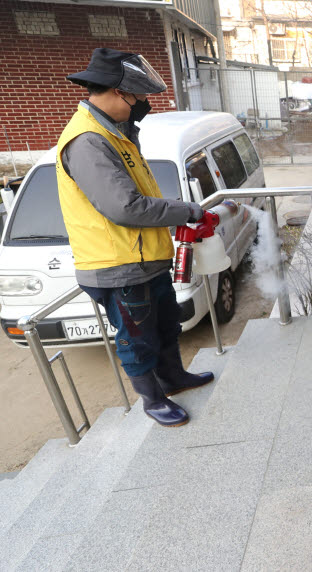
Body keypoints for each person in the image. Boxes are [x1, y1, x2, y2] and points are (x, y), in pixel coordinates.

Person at [57, 48, 214, 427]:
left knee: (165, 324)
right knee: (136, 337)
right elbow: (126, 208)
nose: (142, 104)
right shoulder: (89, 142)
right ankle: (153, 400)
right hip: (119, 265)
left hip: (145, 259)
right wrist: (186, 210)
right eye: (138, 96)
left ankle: (174, 379)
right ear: (115, 91)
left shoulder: (117, 134)